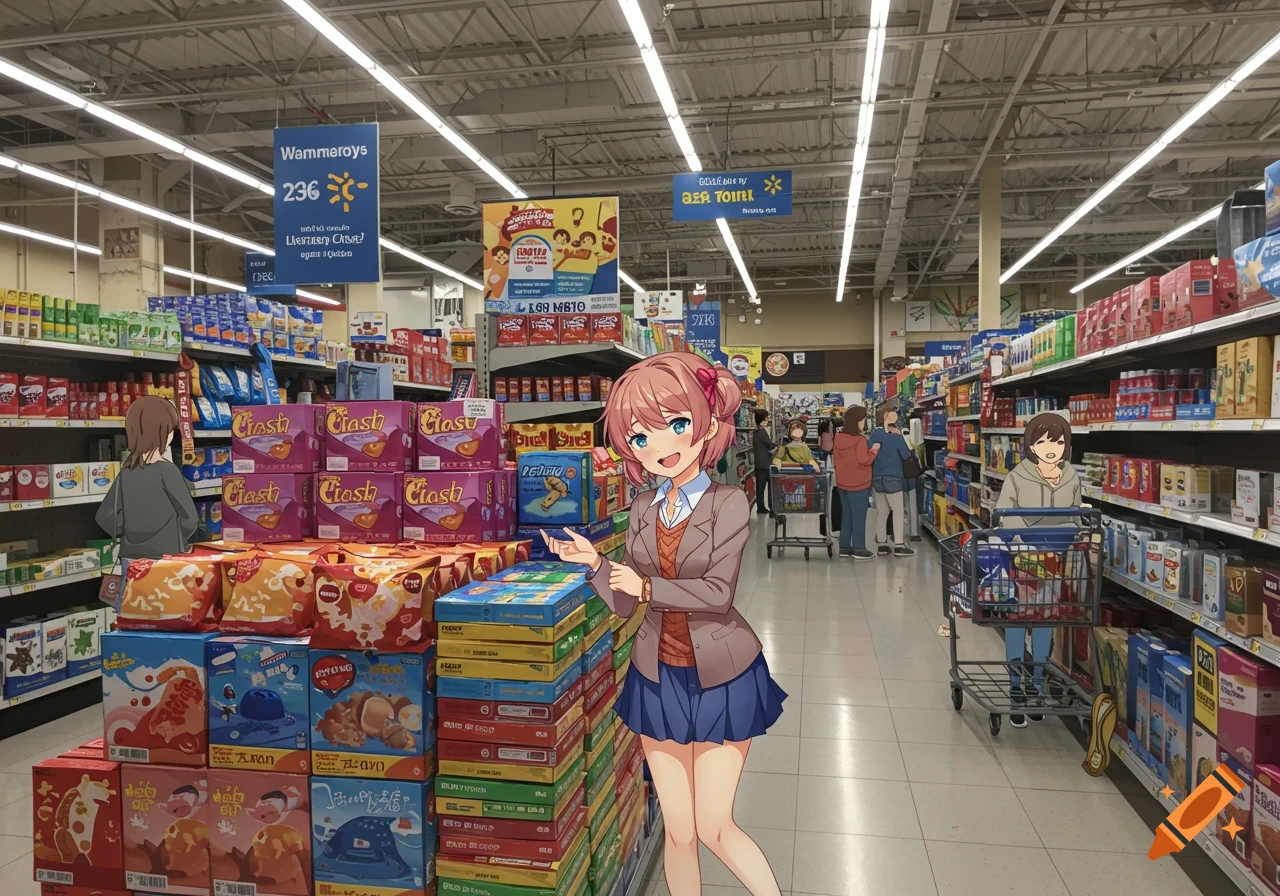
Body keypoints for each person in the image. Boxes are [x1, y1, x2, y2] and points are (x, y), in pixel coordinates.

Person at [541, 353, 785, 896]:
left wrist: (646, 586)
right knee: (678, 832)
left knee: (714, 828)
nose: (660, 446)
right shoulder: (644, 507)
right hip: (658, 676)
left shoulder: (730, 503)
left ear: (706, 424)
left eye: (676, 425)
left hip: (723, 673)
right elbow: (627, 607)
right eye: (640, 436)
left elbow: (718, 595)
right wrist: (597, 567)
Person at [994, 412, 1081, 727]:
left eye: (1057, 441)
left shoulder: (1071, 476)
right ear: (1030, 444)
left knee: (1045, 622)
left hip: (1054, 561)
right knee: (1018, 623)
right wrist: (1022, 543)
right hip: (1022, 561)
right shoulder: (1017, 476)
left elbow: (1076, 516)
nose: (1050, 447)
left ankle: (1038, 683)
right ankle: (1017, 687)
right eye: (1042, 440)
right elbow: (1004, 514)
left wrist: (1071, 534)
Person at [95, 395, 199, 560]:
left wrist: (129, 528)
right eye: (170, 430)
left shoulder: (126, 472)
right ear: (163, 433)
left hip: (130, 555)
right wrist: (173, 535)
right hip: (166, 555)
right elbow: (190, 519)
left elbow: (105, 516)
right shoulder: (168, 472)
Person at [832, 406, 879, 559]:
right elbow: (864, 460)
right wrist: (874, 451)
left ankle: (844, 547)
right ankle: (859, 548)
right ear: (858, 421)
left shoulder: (838, 438)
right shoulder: (860, 440)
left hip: (842, 482)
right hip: (859, 482)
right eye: (863, 420)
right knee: (859, 515)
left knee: (847, 514)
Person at [868, 408, 914, 556]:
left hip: (877, 477)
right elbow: (906, 455)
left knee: (882, 511)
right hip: (893, 476)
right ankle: (899, 545)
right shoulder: (896, 436)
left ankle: (882, 544)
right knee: (898, 510)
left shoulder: (875, 434)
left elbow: (870, 451)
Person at [751, 407, 776, 515]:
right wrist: (776, 445)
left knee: (760, 488)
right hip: (766, 463)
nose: (768, 419)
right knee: (771, 487)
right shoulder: (762, 432)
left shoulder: (756, 432)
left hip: (758, 463)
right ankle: (772, 508)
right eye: (766, 417)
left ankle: (760, 507)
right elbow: (770, 445)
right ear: (762, 418)